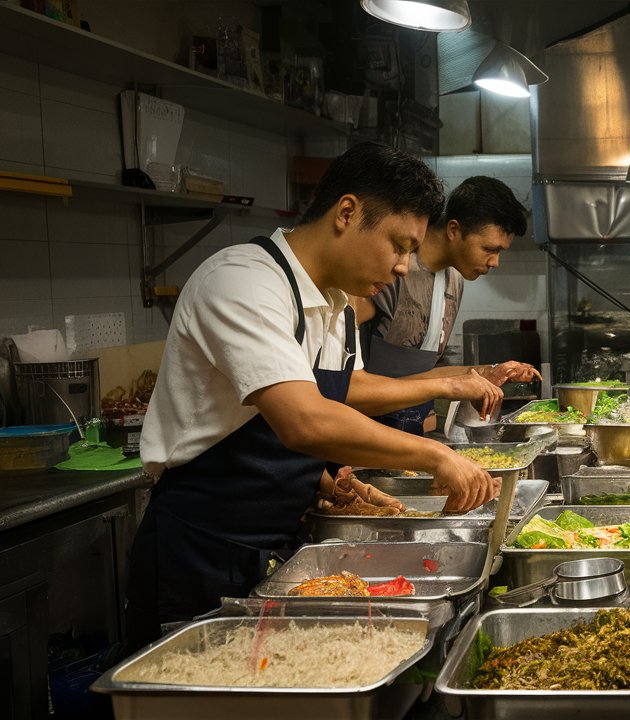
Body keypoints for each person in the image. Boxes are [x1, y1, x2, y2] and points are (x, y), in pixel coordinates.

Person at [125, 142, 502, 649]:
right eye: (399, 244)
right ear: (347, 213)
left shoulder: (339, 304)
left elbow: (342, 391)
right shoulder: (243, 282)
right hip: (201, 548)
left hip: (276, 539)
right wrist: (436, 456)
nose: (402, 267)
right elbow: (304, 419)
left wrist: (319, 478)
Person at [355, 176, 540, 435]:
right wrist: (454, 385)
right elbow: (347, 385)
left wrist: (489, 372)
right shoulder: (394, 270)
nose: (494, 262)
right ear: (454, 230)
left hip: (414, 432)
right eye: (489, 248)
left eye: (501, 252)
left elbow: (428, 372)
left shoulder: (454, 280)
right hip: (362, 431)